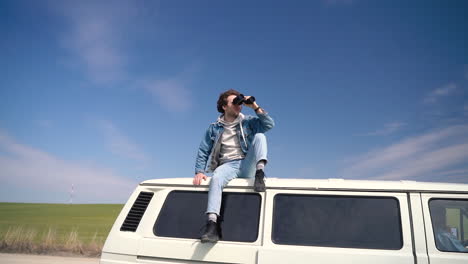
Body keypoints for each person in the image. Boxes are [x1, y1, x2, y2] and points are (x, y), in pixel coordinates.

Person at [193, 89, 275, 243]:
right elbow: (204, 150)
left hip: (247, 163)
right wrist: (199, 171)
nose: (240, 105)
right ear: (224, 107)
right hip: (227, 165)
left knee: (260, 136)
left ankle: (260, 174)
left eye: (241, 102)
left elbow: (269, 124)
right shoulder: (214, 128)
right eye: (235, 102)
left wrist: (255, 106)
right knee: (216, 178)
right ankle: (211, 225)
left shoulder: (248, 121)